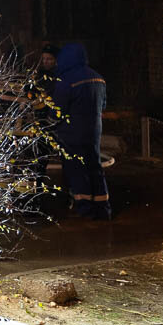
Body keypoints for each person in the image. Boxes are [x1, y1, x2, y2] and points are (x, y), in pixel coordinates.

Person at [51, 42, 111, 220]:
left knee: (77, 171)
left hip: (71, 135)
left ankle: (84, 209)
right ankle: (103, 208)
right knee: (95, 168)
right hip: (93, 133)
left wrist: (49, 124)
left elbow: (56, 112)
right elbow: (104, 105)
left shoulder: (66, 81)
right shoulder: (99, 78)